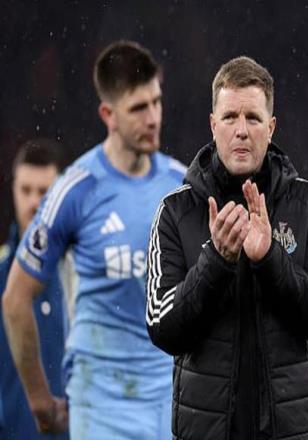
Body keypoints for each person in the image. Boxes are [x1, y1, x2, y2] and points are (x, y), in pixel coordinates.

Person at [146, 56, 308, 440]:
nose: (241, 130)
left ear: (270, 128)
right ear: (213, 125)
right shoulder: (176, 211)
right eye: (230, 117)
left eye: (253, 118)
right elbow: (162, 328)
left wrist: (270, 259)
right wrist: (216, 262)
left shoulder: (306, 204)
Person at [2, 40, 185, 439]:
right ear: (108, 115)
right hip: (101, 402)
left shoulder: (181, 186)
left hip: (170, 399)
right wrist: (39, 401)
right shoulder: (76, 190)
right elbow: (15, 298)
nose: (153, 117)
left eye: (156, 102)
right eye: (138, 108)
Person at [0, 138, 67, 440]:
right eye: (25, 190)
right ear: (13, 190)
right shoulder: (2, 276)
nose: (33, 203)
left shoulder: (83, 276)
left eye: (43, 192)